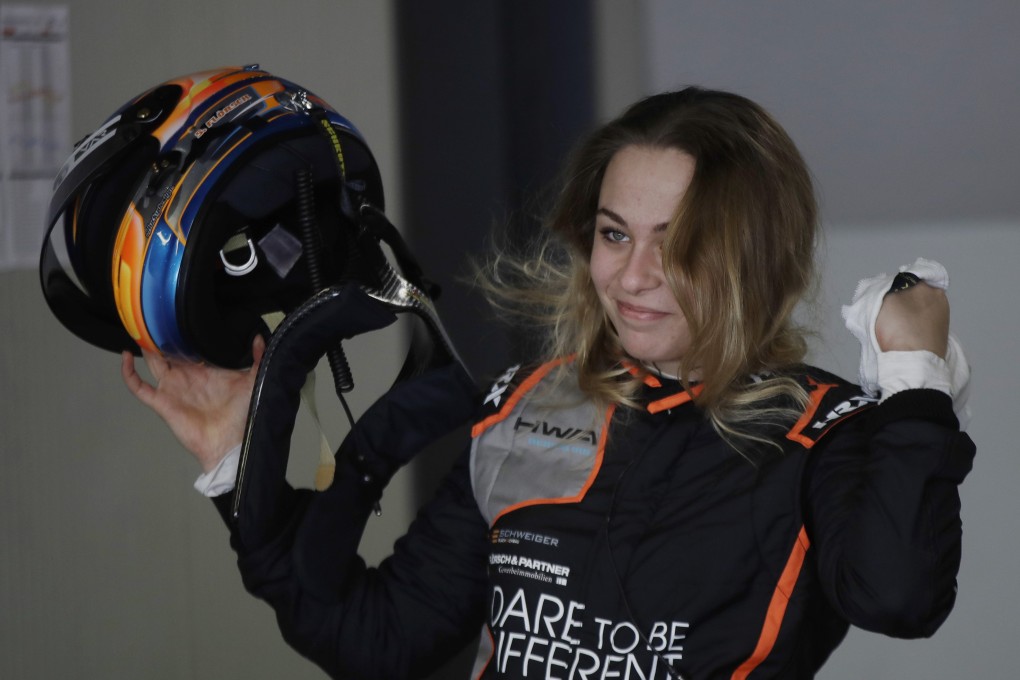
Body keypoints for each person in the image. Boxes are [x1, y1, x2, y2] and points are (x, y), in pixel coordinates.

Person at [122, 87, 974, 679]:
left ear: (758, 256)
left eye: (678, 244)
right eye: (614, 233)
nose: (635, 276)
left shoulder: (822, 428)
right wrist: (246, 459)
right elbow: (378, 642)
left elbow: (899, 595)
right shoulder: (527, 407)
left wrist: (915, 376)